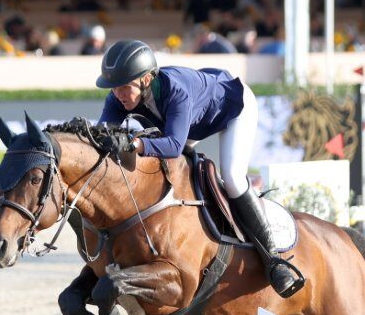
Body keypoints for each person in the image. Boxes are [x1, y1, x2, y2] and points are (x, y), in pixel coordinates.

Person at [94, 39, 304, 298]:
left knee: (233, 178)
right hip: (192, 122)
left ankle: (273, 260)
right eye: (114, 88)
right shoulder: (118, 98)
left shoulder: (176, 90)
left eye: (124, 87)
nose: (118, 94)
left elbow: (173, 145)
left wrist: (135, 143)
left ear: (146, 79)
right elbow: (101, 133)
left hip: (232, 108)